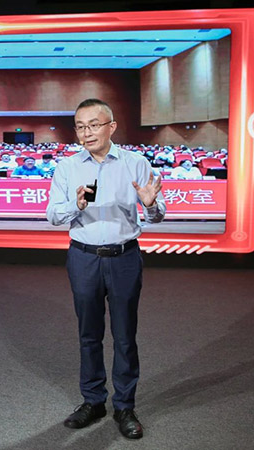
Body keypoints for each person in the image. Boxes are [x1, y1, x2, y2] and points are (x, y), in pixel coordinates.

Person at [46, 98, 166, 440]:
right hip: (83, 258)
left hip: (124, 257)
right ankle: (93, 401)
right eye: (80, 127)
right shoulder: (68, 167)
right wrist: (76, 204)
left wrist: (150, 204)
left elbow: (158, 214)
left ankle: (124, 406)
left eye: (94, 125)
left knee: (125, 335)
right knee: (89, 334)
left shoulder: (135, 163)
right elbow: (53, 215)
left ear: (111, 127)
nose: (87, 133)